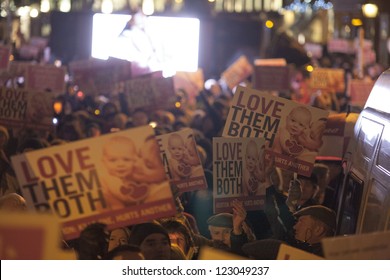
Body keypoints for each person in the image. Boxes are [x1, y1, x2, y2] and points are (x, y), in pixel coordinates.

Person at [101, 135, 148, 208]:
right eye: (113, 160)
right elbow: (125, 197)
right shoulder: (109, 179)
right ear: (104, 162)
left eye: (126, 159)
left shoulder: (135, 175)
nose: (120, 164)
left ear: (134, 159)